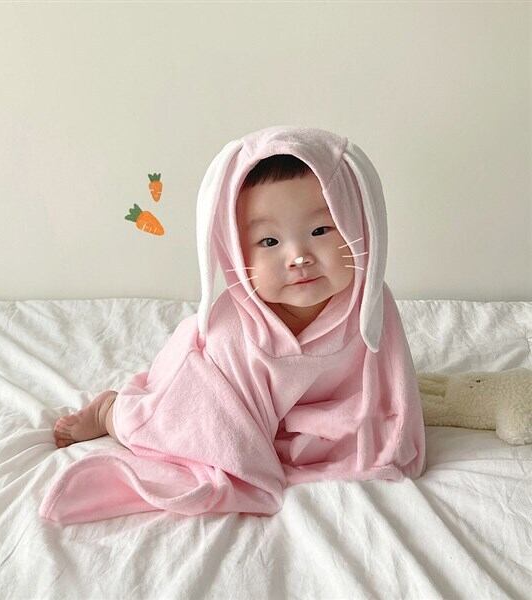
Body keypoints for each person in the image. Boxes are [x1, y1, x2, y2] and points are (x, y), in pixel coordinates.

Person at [41, 125, 427, 525]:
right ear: (235, 250)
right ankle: (110, 411)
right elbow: (226, 432)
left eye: (320, 230)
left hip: (287, 410)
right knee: (163, 428)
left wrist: (378, 439)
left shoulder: (370, 303)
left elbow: (388, 383)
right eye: (269, 242)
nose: (298, 256)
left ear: (358, 225)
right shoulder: (235, 332)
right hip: (206, 384)